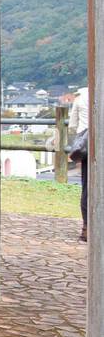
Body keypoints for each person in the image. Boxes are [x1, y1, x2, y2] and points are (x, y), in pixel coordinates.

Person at [70, 87, 89, 242]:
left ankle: (86, 228)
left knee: (87, 187)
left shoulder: (80, 98)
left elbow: (72, 125)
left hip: (87, 146)